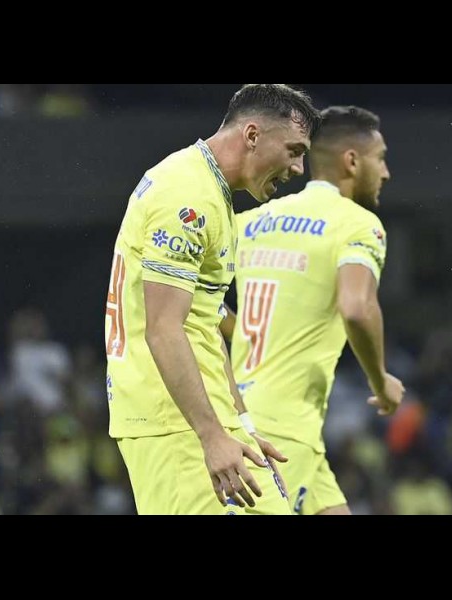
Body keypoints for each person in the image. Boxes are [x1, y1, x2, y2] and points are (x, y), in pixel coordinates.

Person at [105, 84, 321, 515]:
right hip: (173, 422)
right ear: (253, 134)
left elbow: (202, 325)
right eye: (294, 151)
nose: (299, 168)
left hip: (204, 417)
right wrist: (210, 435)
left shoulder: (211, 193)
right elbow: (163, 329)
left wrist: (239, 423)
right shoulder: (185, 196)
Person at [221, 105, 405, 515]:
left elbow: (203, 300)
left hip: (255, 416)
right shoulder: (358, 225)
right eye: (380, 159)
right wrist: (380, 382)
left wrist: (241, 332)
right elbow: (356, 308)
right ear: (352, 161)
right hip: (284, 430)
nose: (386, 172)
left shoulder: (253, 221)